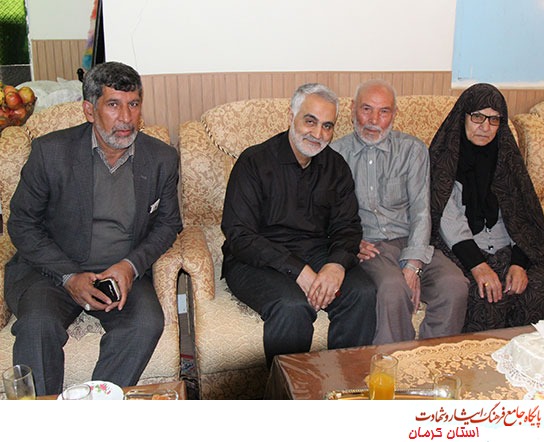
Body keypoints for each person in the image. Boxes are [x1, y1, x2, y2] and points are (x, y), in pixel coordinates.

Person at [5, 61, 183, 395]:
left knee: (146, 323)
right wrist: (69, 276)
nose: (126, 118)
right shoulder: (50, 152)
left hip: (118, 272)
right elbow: (22, 223)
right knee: (37, 326)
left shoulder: (161, 158)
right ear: (89, 110)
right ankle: (41, 418)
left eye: (133, 104)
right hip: (53, 272)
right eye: (113, 105)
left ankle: (95, 407)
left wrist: (130, 266)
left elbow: (169, 223)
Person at [221, 83, 376, 367]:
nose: (318, 134)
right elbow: (239, 235)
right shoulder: (254, 161)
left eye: (327, 126)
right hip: (255, 260)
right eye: (310, 121)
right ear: (291, 116)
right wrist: (298, 270)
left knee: (362, 293)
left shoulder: (336, 166)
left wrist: (336, 265)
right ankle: (289, 391)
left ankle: (346, 384)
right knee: (292, 306)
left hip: (317, 252)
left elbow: (348, 226)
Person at [331, 79, 469, 344]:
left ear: (395, 114)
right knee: (392, 289)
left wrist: (414, 264)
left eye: (384, 111)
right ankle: (394, 363)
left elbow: (421, 210)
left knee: (454, 285)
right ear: (352, 109)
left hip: (410, 240)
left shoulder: (413, 150)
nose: (374, 120)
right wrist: (349, 242)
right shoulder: (335, 155)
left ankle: (433, 360)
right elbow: (327, 215)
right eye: (366, 109)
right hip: (370, 247)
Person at [429, 83, 544, 332]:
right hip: (463, 252)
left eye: (494, 119)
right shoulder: (445, 161)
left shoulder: (507, 161)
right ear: (463, 117)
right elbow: (450, 222)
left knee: (541, 284)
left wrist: (519, 264)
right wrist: (479, 266)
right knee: (486, 294)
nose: (485, 127)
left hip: (507, 251)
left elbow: (522, 217)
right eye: (477, 117)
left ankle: (532, 354)